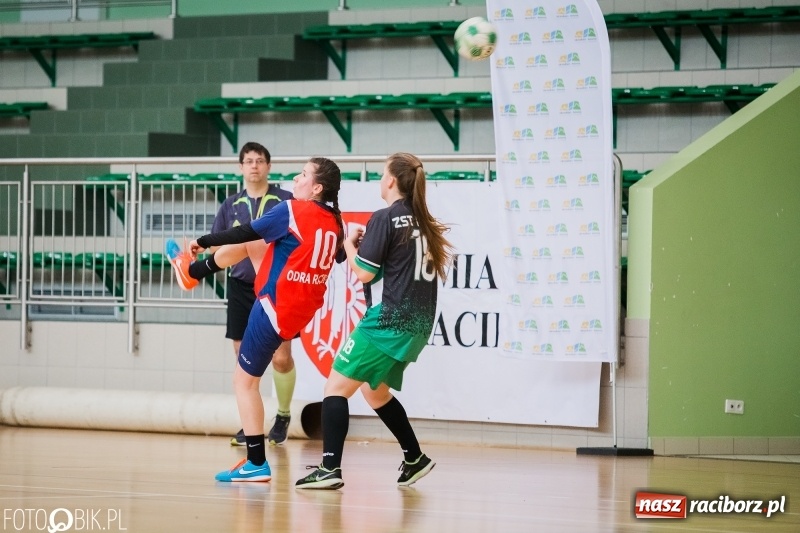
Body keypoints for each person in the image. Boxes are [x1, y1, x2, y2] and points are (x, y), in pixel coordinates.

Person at [167, 157, 344, 482]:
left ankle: (256, 462)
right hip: (300, 310)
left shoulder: (292, 209)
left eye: (303, 174)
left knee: (244, 383)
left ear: (316, 187)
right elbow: (340, 254)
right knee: (253, 244)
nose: (297, 177)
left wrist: (201, 242)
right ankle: (191, 274)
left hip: (276, 306)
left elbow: (243, 229)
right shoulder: (334, 221)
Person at [295, 152, 453, 490]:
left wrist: (348, 246)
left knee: (334, 388)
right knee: (374, 392)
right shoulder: (421, 220)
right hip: (419, 324)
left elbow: (364, 272)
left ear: (392, 180)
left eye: (383, 173)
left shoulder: (385, 217)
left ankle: (329, 468)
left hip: (388, 320)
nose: (381, 179)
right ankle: (414, 458)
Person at [211, 142, 295, 448]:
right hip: (241, 287)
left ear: (269, 167)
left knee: (281, 357)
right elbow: (217, 245)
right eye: (249, 161)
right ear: (241, 167)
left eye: (260, 161)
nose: (254, 166)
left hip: (276, 288)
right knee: (244, 360)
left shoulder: (284, 201)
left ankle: (283, 414)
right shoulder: (230, 205)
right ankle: (252, 426)